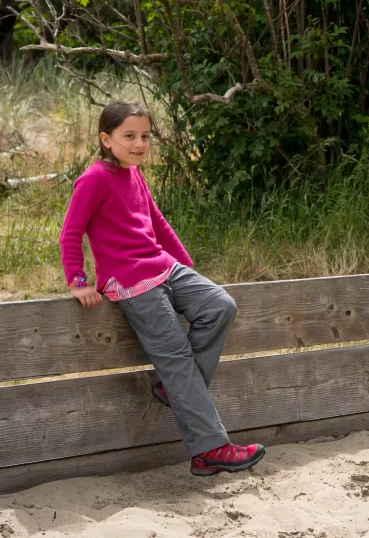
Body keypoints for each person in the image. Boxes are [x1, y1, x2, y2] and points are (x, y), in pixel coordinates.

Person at [59, 99, 265, 476]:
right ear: (106, 139)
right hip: (129, 281)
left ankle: (174, 390)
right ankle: (210, 451)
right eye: (129, 136)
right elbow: (70, 233)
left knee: (220, 304)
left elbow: (157, 222)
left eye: (145, 137)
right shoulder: (93, 179)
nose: (139, 144)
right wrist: (78, 282)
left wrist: (185, 266)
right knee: (176, 360)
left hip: (163, 268)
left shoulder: (134, 174)